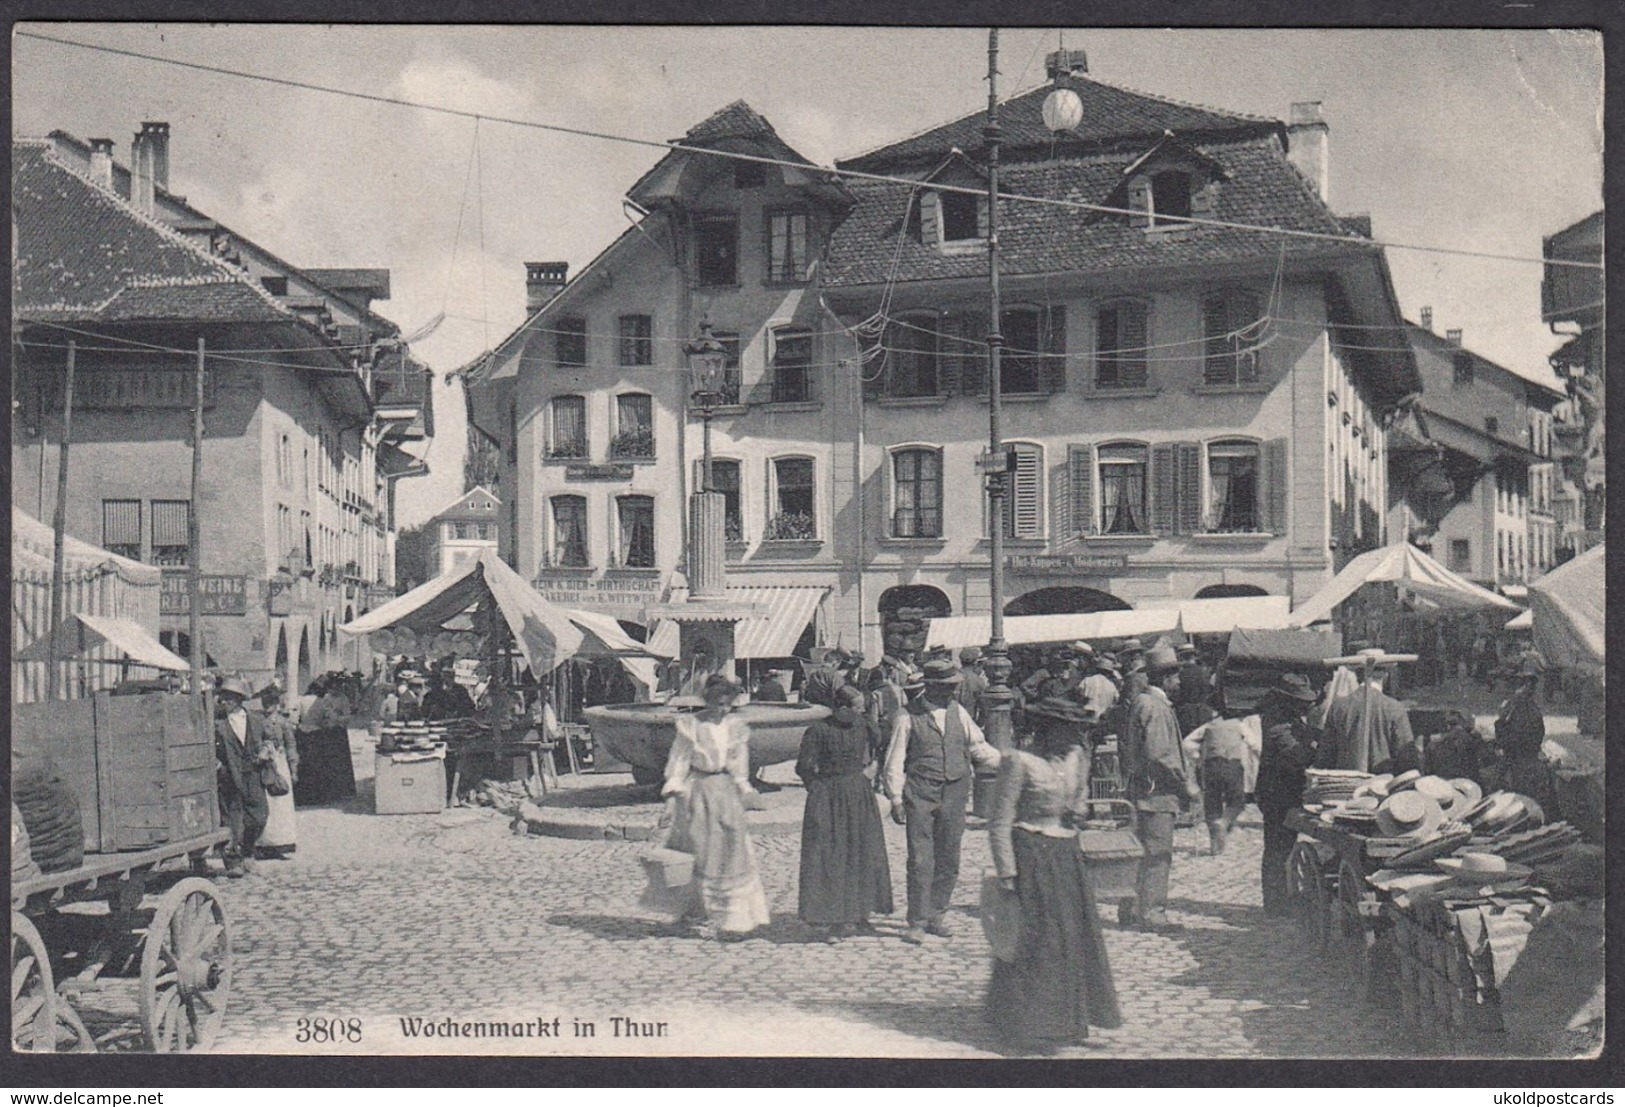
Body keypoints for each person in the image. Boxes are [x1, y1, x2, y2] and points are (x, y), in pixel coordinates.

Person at [986, 696, 1122, 1053]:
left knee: (1071, 937)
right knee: (1037, 938)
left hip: (1065, 854)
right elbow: (999, 821)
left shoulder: (1077, 759)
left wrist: (1078, 809)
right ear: (1047, 730)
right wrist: (1007, 873)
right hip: (1030, 853)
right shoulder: (1018, 762)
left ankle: (1067, 1020)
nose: (1074, 737)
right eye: (1066, 730)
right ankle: (1028, 1023)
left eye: (1077, 730)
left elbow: (1076, 809)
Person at [882, 657, 1002, 944]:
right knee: (922, 859)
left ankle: (937, 914)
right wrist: (896, 798)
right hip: (921, 792)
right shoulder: (906, 716)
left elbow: (978, 747)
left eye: (954, 687)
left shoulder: (958, 712)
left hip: (955, 791)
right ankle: (917, 920)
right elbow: (894, 760)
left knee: (949, 857)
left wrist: (1009, 762)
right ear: (931, 687)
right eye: (947, 687)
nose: (952, 692)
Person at [660, 675, 771, 940]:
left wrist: (744, 788)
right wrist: (674, 788)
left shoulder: (735, 727)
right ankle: (699, 914)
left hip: (726, 791)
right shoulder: (691, 725)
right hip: (700, 790)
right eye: (719, 704)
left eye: (728, 704)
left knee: (733, 851)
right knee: (701, 852)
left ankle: (735, 919)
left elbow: (738, 762)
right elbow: (679, 759)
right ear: (708, 701)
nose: (723, 709)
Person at [795, 684, 894, 942]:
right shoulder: (818, 731)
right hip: (829, 795)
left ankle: (860, 913)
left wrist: (873, 767)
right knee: (832, 855)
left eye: (862, 708)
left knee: (862, 851)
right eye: (857, 708)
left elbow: (884, 743)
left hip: (859, 794)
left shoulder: (863, 725)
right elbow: (804, 767)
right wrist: (818, 791)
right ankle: (834, 920)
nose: (860, 712)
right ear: (840, 708)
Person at [1120, 645, 1198, 930]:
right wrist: (1185, 782)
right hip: (1158, 793)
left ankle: (1130, 908)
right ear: (1165, 678)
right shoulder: (1154, 706)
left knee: (1139, 852)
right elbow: (1158, 754)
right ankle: (1153, 913)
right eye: (1175, 677)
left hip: (1144, 790)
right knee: (1158, 854)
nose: (1179, 683)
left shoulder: (1143, 702)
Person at [1255, 672, 1320, 916]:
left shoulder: (1287, 717)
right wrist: (1317, 749)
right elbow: (1296, 755)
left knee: (1283, 846)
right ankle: (1275, 903)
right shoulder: (1276, 722)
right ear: (1286, 699)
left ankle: (1279, 899)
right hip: (1276, 795)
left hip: (1282, 791)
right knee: (1277, 848)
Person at [214, 677, 270, 878]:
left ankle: (248, 851)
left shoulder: (256, 719)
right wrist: (217, 763)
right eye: (223, 697)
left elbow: (270, 739)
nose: (225, 701)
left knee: (259, 815)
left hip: (253, 773)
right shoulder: (217, 722)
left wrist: (266, 750)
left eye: (230, 698)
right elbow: (206, 745)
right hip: (229, 775)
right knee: (232, 819)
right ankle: (233, 862)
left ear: (239, 699)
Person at [1318, 663, 1417, 774]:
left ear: (1356, 674)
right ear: (1386, 675)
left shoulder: (1339, 706)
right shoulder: (1394, 708)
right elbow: (1407, 758)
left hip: (1346, 784)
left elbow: (1325, 756)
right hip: (1382, 785)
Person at [1490, 658, 1552, 807]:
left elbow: (1515, 738)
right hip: (1523, 760)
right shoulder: (1519, 706)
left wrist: (1500, 725)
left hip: (1523, 764)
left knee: (1524, 802)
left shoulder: (1522, 709)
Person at [294, 675, 358, 805]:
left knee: (337, 762)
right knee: (322, 764)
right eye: (331, 687)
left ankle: (341, 790)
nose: (333, 689)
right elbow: (325, 717)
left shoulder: (342, 699)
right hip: (322, 732)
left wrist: (336, 719)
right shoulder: (324, 700)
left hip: (332, 731)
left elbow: (346, 716)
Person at [1193, 708, 1249, 855]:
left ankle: (1214, 847)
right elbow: (1255, 744)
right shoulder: (1239, 725)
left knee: (1212, 803)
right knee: (1237, 802)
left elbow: (1187, 742)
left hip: (1211, 765)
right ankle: (1224, 823)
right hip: (1232, 764)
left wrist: (1198, 756)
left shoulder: (1209, 726)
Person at [253, 683, 299, 860]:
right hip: (263, 763)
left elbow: (291, 746)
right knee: (264, 802)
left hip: (279, 764)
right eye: (265, 703)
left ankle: (281, 842)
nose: (267, 706)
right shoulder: (256, 720)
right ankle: (262, 842)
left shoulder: (282, 722)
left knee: (280, 803)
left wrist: (294, 769)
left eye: (270, 703)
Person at [956, 647, 990, 728]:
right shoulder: (978, 681)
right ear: (975, 662)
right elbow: (984, 709)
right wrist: (977, 725)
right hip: (969, 723)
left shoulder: (952, 677)